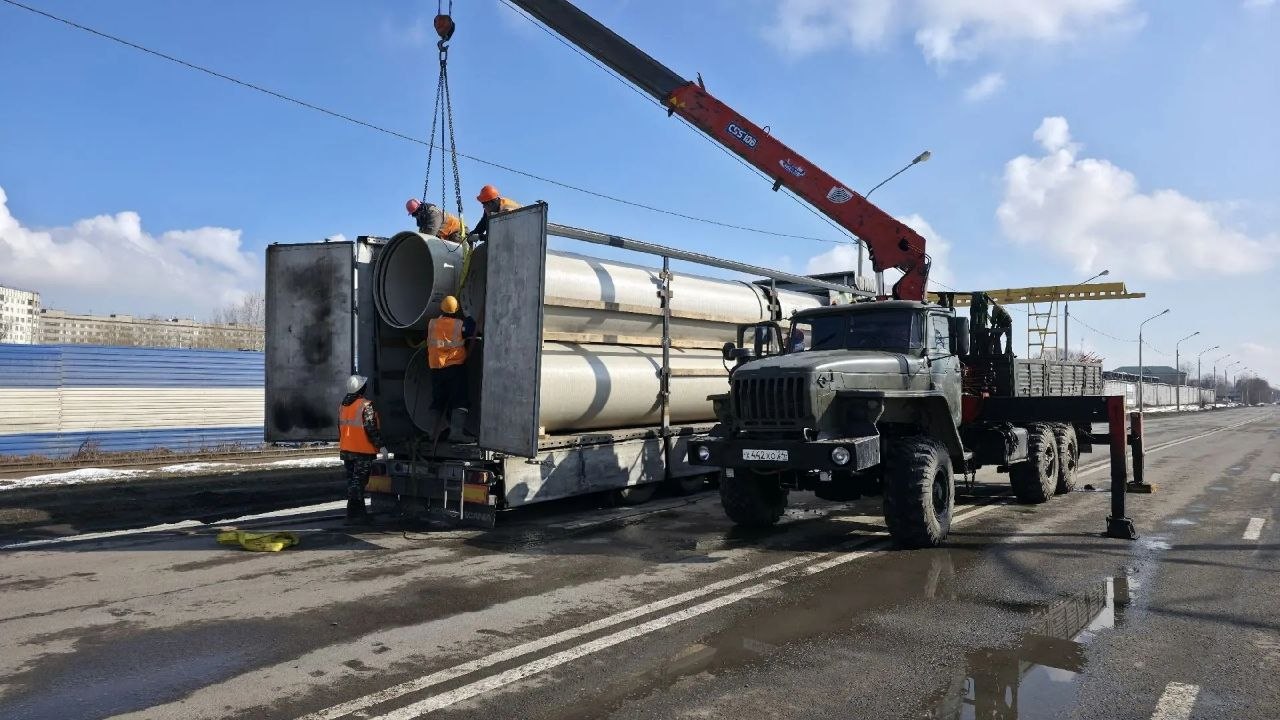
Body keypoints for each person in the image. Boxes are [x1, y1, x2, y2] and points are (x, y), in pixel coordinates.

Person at [426, 295, 477, 440]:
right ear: (456, 311)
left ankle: (432, 433)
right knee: (460, 400)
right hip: (454, 368)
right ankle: (456, 433)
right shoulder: (459, 324)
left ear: (441, 308)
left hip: (436, 368)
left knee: (438, 401)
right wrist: (468, 316)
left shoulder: (432, 324)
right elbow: (472, 330)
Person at [338, 374, 381, 523]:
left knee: (353, 482)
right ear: (361, 388)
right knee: (359, 483)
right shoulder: (365, 405)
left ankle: (359, 513)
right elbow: (371, 428)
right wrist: (380, 445)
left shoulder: (343, 406)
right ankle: (353, 515)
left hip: (347, 451)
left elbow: (341, 429)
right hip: (362, 452)